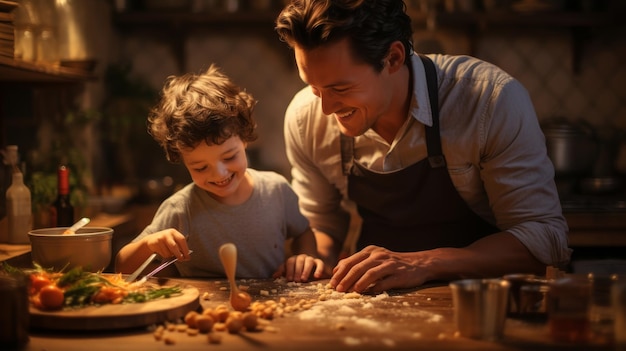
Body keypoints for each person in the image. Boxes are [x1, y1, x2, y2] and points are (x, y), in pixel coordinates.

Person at [274, 0, 572, 293]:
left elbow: (544, 240)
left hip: (482, 304)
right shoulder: (305, 118)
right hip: (372, 304)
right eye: (314, 87)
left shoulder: (489, 101)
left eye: (340, 89)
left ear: (393, 58)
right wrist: (312, 259)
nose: (325, 108)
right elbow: (323, 226)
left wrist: (423, 263)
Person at [115, 64, 324, 282]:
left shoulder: (277, 191)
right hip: (206, 309)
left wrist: (305, 256)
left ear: (244, 139)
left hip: (273, 307)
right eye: (200, 167)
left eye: (229, 157)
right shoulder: (181, 209)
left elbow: (302, 232)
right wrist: (150, 245)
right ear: (182, 159)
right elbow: (122, 266)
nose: (219, 173)